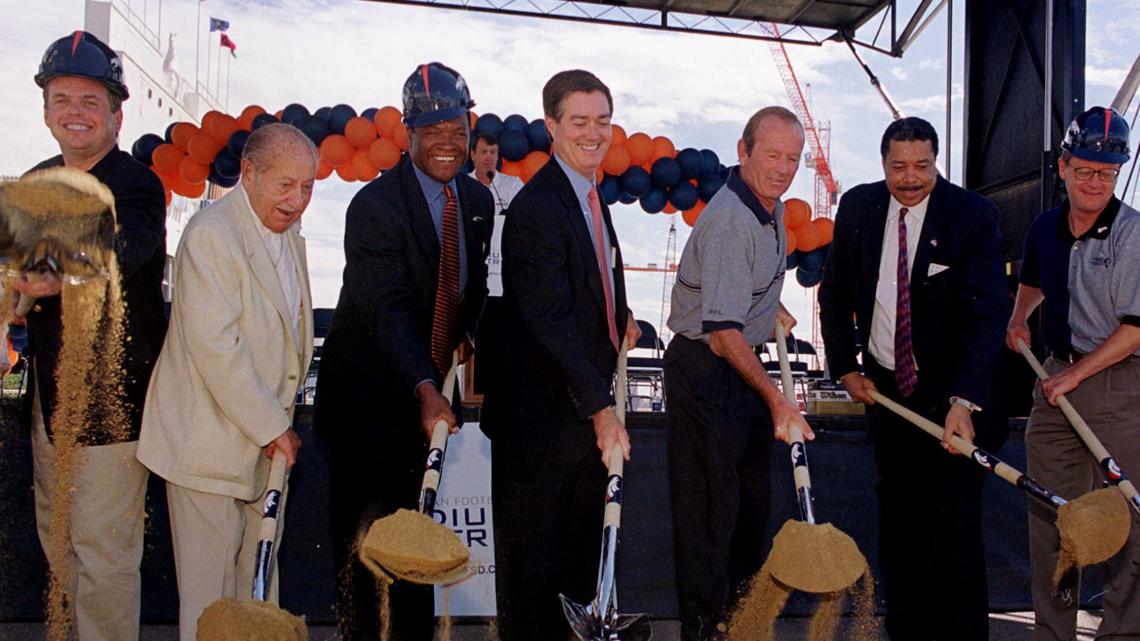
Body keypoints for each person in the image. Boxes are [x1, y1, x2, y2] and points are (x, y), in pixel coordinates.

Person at [314, 62, 493, 641]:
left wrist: (467, 338)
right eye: (433, 128)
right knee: (365, 557)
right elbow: (387, 307)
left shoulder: (476, 202)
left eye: (457, 127)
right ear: (409, 134)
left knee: (415, 551)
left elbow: (468, 291)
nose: (448, 140)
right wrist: (424, 387)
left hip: (427, 411)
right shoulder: (374, 207)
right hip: (368, 407)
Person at [818, 116, 1008, 640]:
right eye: (898, 166)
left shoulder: (974, 216)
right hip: (889, 397)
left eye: (921, 166)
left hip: (954, 401)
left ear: (936, 161)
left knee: (954, 534)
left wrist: (964, 401)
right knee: (899, 532)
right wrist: (847, 367)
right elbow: (832, 294)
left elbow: (987, 316)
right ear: (882, 165)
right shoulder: (857, 207)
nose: (909, 178)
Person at [136, 123, 316, 641]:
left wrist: (275, 429)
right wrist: (273, 426)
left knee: (256, 599)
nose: (297, 200)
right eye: (285, 185)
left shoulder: (291, 239)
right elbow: (217, 347)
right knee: (211, 610)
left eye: (306, 187)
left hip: (265, 453)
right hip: (206, 452)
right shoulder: (212, 233)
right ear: (248, 173)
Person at [478, 69, 640, 641]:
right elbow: (548, 320)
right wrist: (601, 410)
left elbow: (591, 286)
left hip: (577, 432)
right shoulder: (538, 209)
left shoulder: (593, 197)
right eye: (579, 121)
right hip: (540, 431)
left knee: (575, 581)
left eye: (602, 120)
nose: (593, 133)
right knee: (535, 591)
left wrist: (621, 320)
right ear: (551, 126)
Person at [16, 30, 166, 641]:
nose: (74, 112)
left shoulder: (135, 183)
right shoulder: (35, 179)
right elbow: (15, 282)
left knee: (104, 555)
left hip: (111, 403)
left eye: (89, 100)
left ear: (115, 113)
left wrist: (52, 271)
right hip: (48, 403)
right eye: (61, 99)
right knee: (60, 548)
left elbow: (122, 249)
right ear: (46, 108)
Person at [663, 105, 811, 641]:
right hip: (706, 368)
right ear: (743, 150)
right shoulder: (730, 220)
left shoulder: (771, 211)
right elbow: (723, 336)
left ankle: (742, 622)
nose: (783, 167)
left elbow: (741, 305)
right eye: (772, 155)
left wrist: (769, 307)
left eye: (793, 159)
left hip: (736, 361)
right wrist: (778, 401)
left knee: (750, 506)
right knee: (710, 513)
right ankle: (703, 629)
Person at [1005, 106, 1140, 641]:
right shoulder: (1045, 227)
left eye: (1106, 173)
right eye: (1083, 169)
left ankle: (1123, 633)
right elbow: (1034, 279)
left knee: (1126, 515)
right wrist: (1019, 319)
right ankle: (1054, 631)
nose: (1093, 182)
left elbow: (1136, 327)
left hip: (1118, 383)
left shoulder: (1132, 236)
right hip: (1055, 383)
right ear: (1063, 166)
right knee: (1053, 515)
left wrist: (1077, 375)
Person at [470, 132, 523, 298]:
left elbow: (524, 223)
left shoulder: (513, 185)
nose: (489, 157)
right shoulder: (462, 185)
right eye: (484, 152)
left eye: (493, 152)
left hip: (504, 277)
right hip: (472, 275)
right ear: (473, 155)